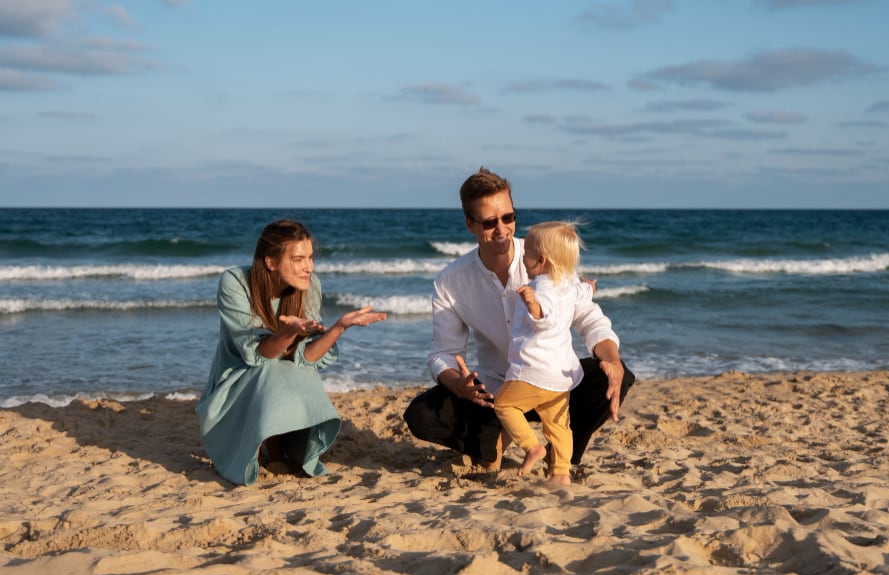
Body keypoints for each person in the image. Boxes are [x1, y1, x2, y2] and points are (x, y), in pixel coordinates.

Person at [404, 167, 635, 471]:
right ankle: (493, 440)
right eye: (489, 222)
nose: (502, 230)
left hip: (552, 382)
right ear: (470, 225)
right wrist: (457, 383)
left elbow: (588, 317)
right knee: (421, 414)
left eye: (508, 218)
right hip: (495, 389)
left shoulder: (543, 254)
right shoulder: (450, 280)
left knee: (616, 375)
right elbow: (442, 353)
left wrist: (612, 359)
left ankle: (563, 450)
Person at [197, 219, 386, 486]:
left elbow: (306, 358)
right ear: (271, 262)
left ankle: (283, 444)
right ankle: (263, 445)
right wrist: (288, 333)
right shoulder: (235, 282)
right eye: (298, 259)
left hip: (281, 382)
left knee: (299, 370)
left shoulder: (309, 286)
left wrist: (339, 327)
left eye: (310, 257)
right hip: (237, 384)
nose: (308, 266)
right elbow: (257, 355)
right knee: (270, 368)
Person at [494, 221, 596, 486]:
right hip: (560, 374)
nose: (522, 257)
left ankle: (532, 447)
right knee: (559, 424)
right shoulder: (569, 284)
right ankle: (561, 473)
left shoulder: (541, 287)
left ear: (540, 260)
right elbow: (583, 293)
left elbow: (545, 318)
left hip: (533, 370)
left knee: (505, 405)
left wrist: (532, 304)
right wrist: (590, 287)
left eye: (526, 252)